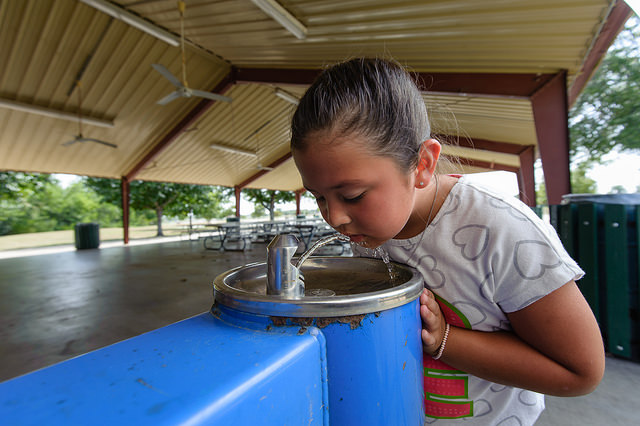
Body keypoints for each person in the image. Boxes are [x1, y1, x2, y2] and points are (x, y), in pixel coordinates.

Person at [290, 57, 605, 425]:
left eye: (354, 195)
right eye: (319, 197)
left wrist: (444, 340)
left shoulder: (499, 230)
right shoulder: (372, 228)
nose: (334, 217)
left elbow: (580, 373)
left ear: (422, 165)